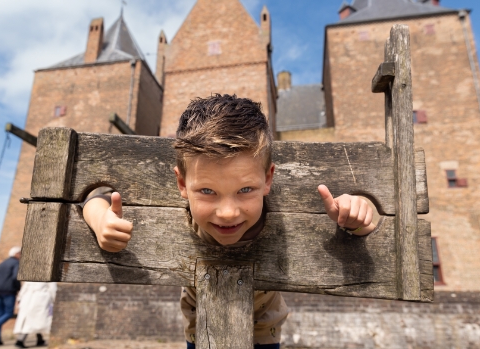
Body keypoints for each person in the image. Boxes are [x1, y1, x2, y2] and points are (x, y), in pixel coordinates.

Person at [82, 94, 376, 348]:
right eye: (207, 191)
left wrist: (356, 218)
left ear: (267, 179)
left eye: (245, 190)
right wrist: (98, 218)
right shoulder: (181, 200)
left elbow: (366, 225)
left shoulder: (276, 208)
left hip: (264, 331)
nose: (227, 213)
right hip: (199, 328)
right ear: (182, 185)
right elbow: (96, 195)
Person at [13, 282, 57, 348]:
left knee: (34, 321)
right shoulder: (49, 274)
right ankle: (20, 340)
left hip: (27, 298)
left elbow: (24, 287)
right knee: (32, 322)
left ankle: (40, 339)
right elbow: (53, 288)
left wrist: (20, 298)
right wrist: (54, 299)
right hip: (40, 300)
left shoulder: (32, 274)